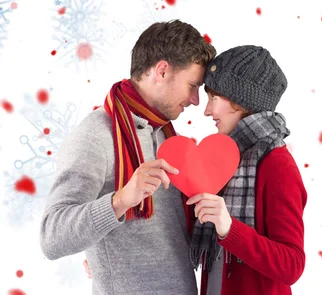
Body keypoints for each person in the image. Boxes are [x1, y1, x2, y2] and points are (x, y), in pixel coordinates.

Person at [39, 19, 216, 295]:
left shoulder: (165, 135)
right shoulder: (95, 135)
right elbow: (52, 237)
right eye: (192, 85)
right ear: (162, 70)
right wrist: (120, 200)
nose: (195, 99)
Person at [185, 45, 307, 295]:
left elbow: (292, 265)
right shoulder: (223, 156)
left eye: (213, 98)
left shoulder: (278, 165)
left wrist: (229, 228)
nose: (206, 110)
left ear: (240, 100)